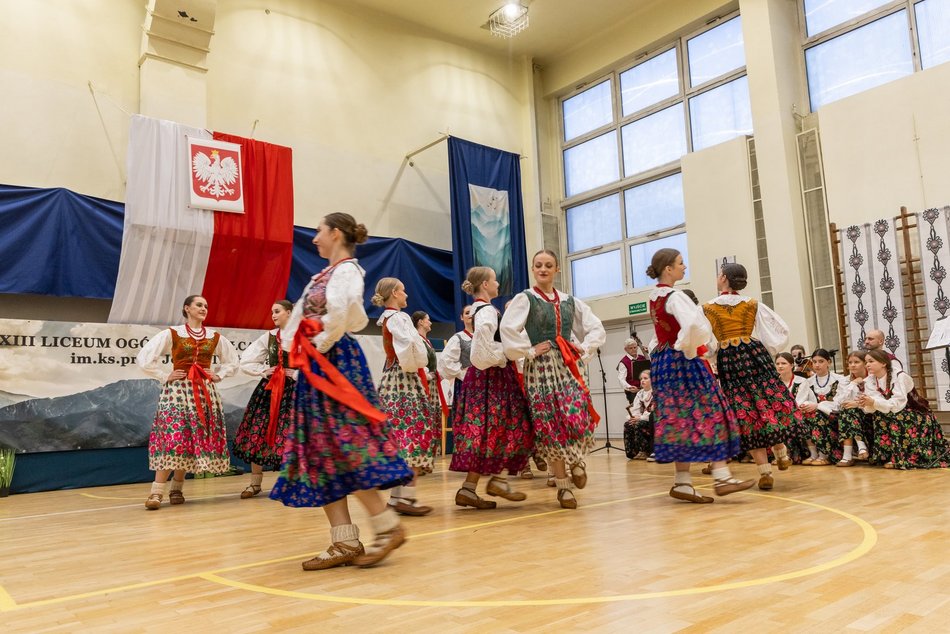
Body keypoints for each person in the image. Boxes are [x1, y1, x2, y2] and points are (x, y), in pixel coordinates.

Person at [270, 213, 413, 570]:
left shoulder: (347, 271)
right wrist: (296, 348)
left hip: (333, 361)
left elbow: (340, 316)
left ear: (335, 233)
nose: (314, 238)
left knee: (343, 445)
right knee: (320, 450)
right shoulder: (324, 274)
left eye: (319, 231)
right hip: (317, 362)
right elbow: (300, 320)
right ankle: (344, 540)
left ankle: (387, 525)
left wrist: (315, 345)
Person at [643, 248, 751, 503]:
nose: (684, 267)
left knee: (681, 419)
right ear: (668, 268)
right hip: (683, 361)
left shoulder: (654, 296)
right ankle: (722, 476)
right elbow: (695, 326)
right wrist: (690, 348)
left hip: (664, 362)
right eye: (680, 263)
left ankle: (683, 482)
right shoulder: (675, 296)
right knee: (712, 411)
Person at [500, 249, 606, 509]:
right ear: (533, 269)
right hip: (541, 368)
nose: (543, 269)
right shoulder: (525, 298)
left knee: (577, 415)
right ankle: (563, 486)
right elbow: (508, 329)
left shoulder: (570, 301)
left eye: (548, 265)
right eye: (538, 265)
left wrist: (584, 347)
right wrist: (528, 350)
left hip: (567, 364)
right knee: (550, 425)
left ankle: (577, 461)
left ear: (557, 269)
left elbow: (595, 327)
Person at [137, 295, 240, 510]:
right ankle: (156, 492)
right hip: (177, 391)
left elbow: (232, 361)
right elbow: (145, 358)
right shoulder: (172, 333)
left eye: (206, 306)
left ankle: (177, 488)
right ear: (187, 308)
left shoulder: (214, 337)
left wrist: (218, 375)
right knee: (173, 437)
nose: (204, 308)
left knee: (189, 439)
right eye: (199, 305)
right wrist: (164, 375)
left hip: (203, 392)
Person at [703, 263, 798, 490]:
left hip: (729, 360)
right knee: (766, 403)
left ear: (723, 278)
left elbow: (705, 341)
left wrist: (713, 354)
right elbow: (779, 331)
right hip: (754, 354)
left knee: (745, 412)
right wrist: (766, 349)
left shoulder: (706, 308)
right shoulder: (753, 303)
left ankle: (766, 472)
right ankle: (781, 452)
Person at [450, 266, 533, 509]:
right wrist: (503, 356)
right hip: (492, 376)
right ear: (485, 284)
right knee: (513, 424)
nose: (498, 284)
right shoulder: (486, 311)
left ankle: (472, 488)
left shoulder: (483, 309)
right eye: (494, 280)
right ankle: (497, 481)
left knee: (490, 430)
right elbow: (481, 349)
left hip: (489, 376)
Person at [373, 278, 436, 516]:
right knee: (413, 434)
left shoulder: (390, 318)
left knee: (402, 436)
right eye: (403, 290)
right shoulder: (399, 318)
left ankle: (397, 499)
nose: (407, 294)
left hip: (394, 379)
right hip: (403, 380)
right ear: (394, 293)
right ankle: (406, 498)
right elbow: (410, 347)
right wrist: (417, 364)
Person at [234, 300, 298, 497]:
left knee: (293, 436)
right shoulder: (269, 336)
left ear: (289, 312)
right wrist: (264, 370)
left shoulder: (304, 337)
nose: (273, 315)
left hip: (296, 391)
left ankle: (291, 483)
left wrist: (297, 373)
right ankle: (255, 483)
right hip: (270, 390)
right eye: (272, 312)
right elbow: (246, 360)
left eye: (277, 311)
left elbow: (317, 364)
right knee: (259, 431)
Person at [858, 349, 948, 469]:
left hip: (917, 414)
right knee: (877, 416)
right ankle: (887, 455)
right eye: (866, 362)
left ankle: (901, 457)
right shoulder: (870, 381)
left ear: (883, 363)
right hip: (893, 412)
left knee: (895, 416)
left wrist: (874, 402)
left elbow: (898, 404)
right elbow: (874, 406)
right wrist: (867, 402)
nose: (867, 365)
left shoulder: (899, 376)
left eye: (871, 361)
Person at [795, 348, 848, 466]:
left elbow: (839, 403)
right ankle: (813, 453)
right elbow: (800, 400)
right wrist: (804, 406)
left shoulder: (839, 380)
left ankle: (824, 455)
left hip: (834, 415)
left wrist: (818, 406)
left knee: (817, 415)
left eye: (821, 361)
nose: (817, 365)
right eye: (814, 362)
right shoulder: (808, 382)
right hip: (814, 414)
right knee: (803, 416)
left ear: (829, 362)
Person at [412, 309, 448, 455]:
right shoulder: (416, 339)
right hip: (423, 384)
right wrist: (427, 376)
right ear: (420, 322)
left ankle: (430, 449)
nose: (430, 322)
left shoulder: (426, 341)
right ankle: (422, 449)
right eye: (428, 319)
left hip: (431, 383)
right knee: (424, 413)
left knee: (432, 414)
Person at [832, 351, 872, 466]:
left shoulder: (872, 378)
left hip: (870, 413)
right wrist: (853, 384)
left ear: (865, 363)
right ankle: (860, 446)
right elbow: (839, 401)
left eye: (856, 362)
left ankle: (848, 455)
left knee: (848, 412)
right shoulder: (845, 381)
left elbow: (875, 398)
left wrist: (858, 404)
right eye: (850, 362)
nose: (853, 365)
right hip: (851, 415)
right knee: (847, 411)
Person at [775, 352, 808, 464]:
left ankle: (789, 454)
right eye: (777, 363)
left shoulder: (801, 381)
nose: (780, 366)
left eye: (783, 363)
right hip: (779, 412)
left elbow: (799, 401)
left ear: (792, 365)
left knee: (788, 418)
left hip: (797, 411)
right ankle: (779, 454)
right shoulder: (773, 382)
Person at [623, 369, 655, 460]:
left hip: (651, 420)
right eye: (641, 379)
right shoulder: (640, 393)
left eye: (645, 378)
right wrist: (633, 417)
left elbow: (653, 413)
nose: (642, 381)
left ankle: (644, 451)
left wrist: (640, 418)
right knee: (628, 424)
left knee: (639, 424)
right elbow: (635, 408)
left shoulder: (655, 392)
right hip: (641, 418)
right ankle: (632, 452)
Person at [617, 337, 649, 404]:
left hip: (644, 389)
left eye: (635, 347)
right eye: (630, 348)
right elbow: (621, 379)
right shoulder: (623, 362)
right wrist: (629, 387)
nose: (633, 350)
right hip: (633, 392)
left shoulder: (643, 358)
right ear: (626, 349)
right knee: (636, 409)